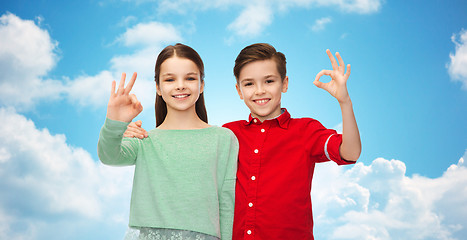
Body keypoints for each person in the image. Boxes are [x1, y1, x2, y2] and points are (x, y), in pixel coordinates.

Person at [124, 43, 361, 240]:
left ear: (285, 84)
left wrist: (344, 101)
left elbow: (349, 152)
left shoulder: (305, 130)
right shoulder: (227, 134)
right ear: (238, 90)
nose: (259, 91)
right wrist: (134, 134)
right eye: (249, 83)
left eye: (269, 81)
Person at [98, 43, 238, 240]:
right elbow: (108, 155)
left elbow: (227, 202)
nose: (180, 85)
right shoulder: (143, 139)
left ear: (202, 84)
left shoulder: (223, 138)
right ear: (158, 88)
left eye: (190, 78)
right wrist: (115, 123)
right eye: (170, 79)